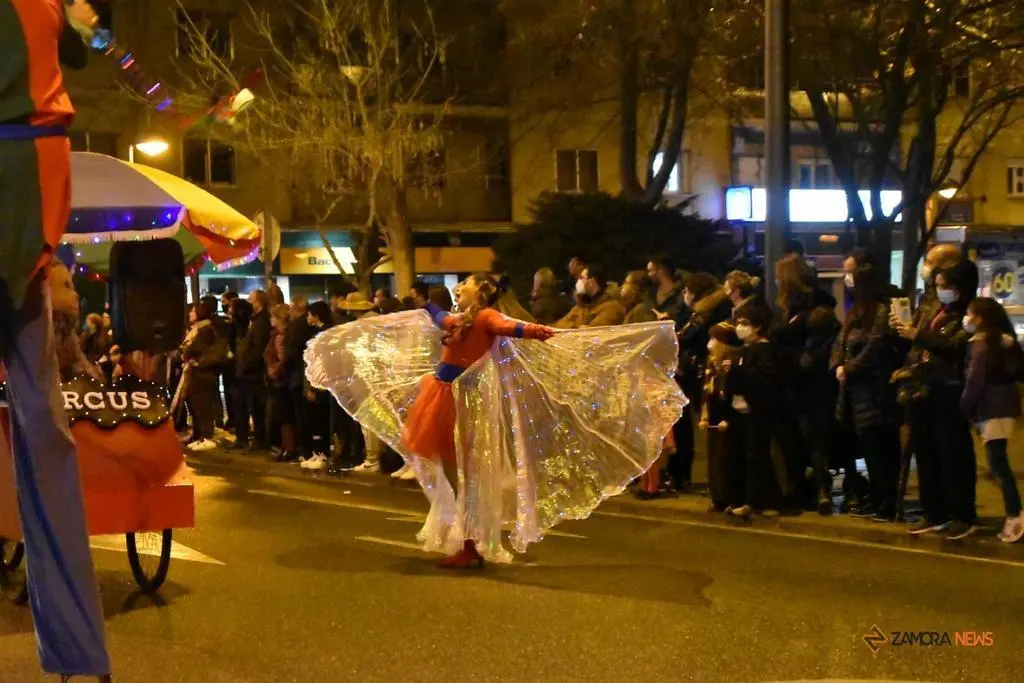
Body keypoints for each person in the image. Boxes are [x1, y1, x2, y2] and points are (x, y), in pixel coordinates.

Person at [304, 273, 686, 567]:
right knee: (454, 477)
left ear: (481, 292)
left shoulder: (486, 316)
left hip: (460, 403)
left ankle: (472, 545)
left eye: (466, 284)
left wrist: (540, 332)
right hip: (441, 397)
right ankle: (468, 540)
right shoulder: (461, 319)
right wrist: (423, 304)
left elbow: (510, 327)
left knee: (465, 478)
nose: (460, 288)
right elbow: (439, 316)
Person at [0, 1, 111, 679]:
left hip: (29, 191)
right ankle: (81, 655)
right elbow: (85, 43)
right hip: (33, 192)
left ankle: (81, 653)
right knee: (45, 431)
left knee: (46, 431)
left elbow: (85, 42)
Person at [892, 260, 979, 539]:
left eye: (945, 285)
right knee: (926, 454)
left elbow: (956, 347)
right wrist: (905, 332)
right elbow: (919, 343)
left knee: (952, 454)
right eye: (937, 285)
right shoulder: (935, 309)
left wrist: (918, 334)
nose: (940, 290)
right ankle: (934, 513)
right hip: (923, 389)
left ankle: (962, 514)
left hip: (949, 391)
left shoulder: (971, 314)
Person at [832, 258, 901, 522]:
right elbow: (841, 342)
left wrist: (849, 368)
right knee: (871, 449)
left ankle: (886, 502)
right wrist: (839, 365)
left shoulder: (880, 312)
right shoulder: (857, 312)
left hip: (875, 393)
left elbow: (875, 347)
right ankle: (876, 497)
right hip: (857, 394)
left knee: (881, 449)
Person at [961, 298, 1024, 543]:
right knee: (998, 461)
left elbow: (974, 381)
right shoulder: (1006, 341)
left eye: (970, 314)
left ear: (980, 319)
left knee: (998, 464)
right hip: (1007, 405)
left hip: (991, 407)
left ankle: (1015, 514)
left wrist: (963, 408)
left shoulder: (980, 344)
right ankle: (1014, 513)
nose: (967, 319)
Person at [726, 302, 783, 519]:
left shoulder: (765, 350)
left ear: (758, 326)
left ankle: (763, 500)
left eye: (745, 323)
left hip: (758, 411)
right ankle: (748, 499)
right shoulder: (744, 350)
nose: (740, 328)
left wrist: (739, 371)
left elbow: (765, 381)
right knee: (748, 456)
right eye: (738, 323)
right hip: (741, 411)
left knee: (759, 456)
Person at [701, 322, 744, 512]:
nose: (710, 344)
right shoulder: (712, 363)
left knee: (729, 459)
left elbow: (736, 392)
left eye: (714, 339)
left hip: (730, 418)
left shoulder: (733, 362)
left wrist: (729, 418)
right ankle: (718, 496)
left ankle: (732, 497)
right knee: (714, 458)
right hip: (714, 416)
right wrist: (704, 415)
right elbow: (706, 390)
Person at [180, 300, 223, 451]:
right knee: (196, 405)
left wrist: (186, 353)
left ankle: (207, 437)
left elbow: (192, 349)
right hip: (195, 372)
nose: (190, 314)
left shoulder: (205, 330)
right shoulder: (197, 329)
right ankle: (198, 436)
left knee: (203, 406)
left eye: (193, 311)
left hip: (203, 372)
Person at [232, 290, 271, 451]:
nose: (248, 303)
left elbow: (257, 348)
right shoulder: (252, 320)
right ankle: (247, 438)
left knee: (256, 407)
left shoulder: (262, 322)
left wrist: (247, 364)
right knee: (245, 405)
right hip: (246, 371)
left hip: (253, 372)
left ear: (258, 302)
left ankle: (260, 439)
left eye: (250, 300)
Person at [300, 300, 336, 470]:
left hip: (320, 385)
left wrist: (312, 387)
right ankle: (317, 452)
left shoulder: (322, 335)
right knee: (316, 420)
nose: (307, 318)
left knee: (320, 420)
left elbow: (317, 363)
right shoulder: (323, 333)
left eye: (309, 314)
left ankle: (322, 453)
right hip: (319, 383)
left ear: (316, 316)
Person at [284, 296, 314, 460]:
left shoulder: (296, 326)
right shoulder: (308, 325)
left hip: (298, 375)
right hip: (304, 374)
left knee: (301, 415)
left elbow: (291, 352)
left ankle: (305, 450)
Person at [265, 304, 297, 461]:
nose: (271, 319)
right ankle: (286, 447)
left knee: (284, 417)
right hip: (281, 380)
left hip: (281, 381)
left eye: (273, 317)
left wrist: (274, 370)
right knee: (283, 417)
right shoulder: (279, 335)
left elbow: (283, 358)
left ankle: (289, 448)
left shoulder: (281, 337)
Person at [555, 264, 626, 328]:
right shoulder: (582, 304)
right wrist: (576, 327)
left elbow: (593, 332)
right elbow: (559, 325)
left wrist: (572, 326)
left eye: (582, 278)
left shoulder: (612, 307)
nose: (578, 281)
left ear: (592, 282)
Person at [646, 257, 687, 324]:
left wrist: (670, 316)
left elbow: (685, 315)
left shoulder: (683, 293)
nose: (649, 274)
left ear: (661, 270)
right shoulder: (650, 295)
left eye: (651, 271)